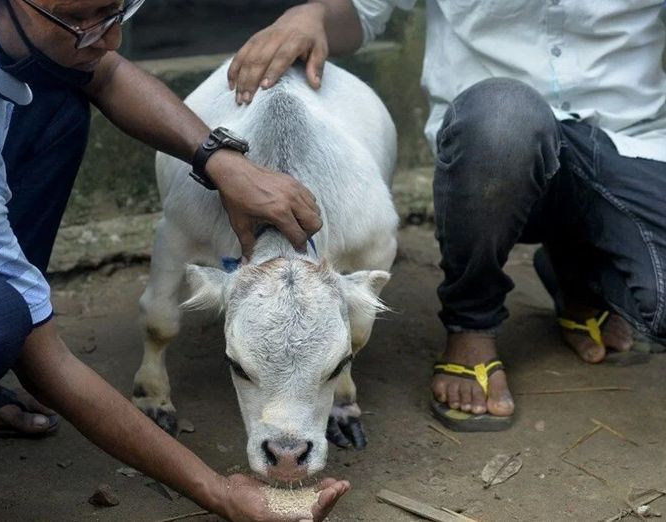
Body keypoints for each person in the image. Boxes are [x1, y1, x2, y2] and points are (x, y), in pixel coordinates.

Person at [0, 0, 349, 519]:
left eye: (114, 12)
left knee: (56, 99)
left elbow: (105, 72)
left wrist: (221, 161)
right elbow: (49, 365)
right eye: (76, 20)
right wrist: (218, 493)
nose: (109, 38)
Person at [227, 0, 666, 431]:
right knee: (503, 113)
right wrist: (315, 14)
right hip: (493, 146)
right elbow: (362, 8)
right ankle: (471, 322)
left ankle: (579, 271)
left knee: (658, 311)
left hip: (636, 144)